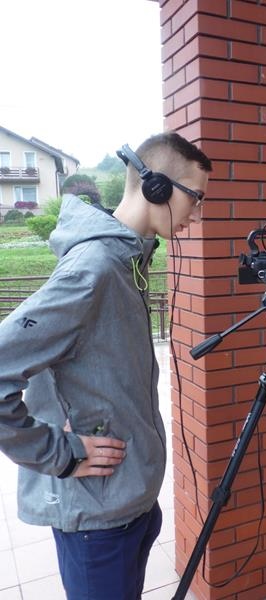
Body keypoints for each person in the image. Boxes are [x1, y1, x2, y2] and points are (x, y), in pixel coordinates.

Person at [0, 132, 212, 599]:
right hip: (96, 520)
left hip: (128, 501)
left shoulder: (128, 261)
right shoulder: (93, 269)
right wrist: (59, 453)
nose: (197, 213)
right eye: (195, 198)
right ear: (157, 187)